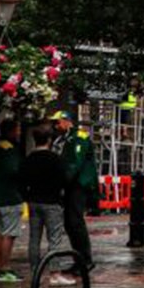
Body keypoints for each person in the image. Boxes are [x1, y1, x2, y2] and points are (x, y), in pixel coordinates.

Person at [22, 125, 75, 287]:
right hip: (52, 202)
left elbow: (21, 181)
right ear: (49, 140)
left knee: (34, 238)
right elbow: (65, 181)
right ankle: (55, 274)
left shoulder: (29, 159)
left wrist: (28, 196)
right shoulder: (55, 159)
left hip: (34, 202)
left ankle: (34, 273)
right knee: (54, 239)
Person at [51, 111, 97, 274]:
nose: (55, 126)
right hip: (68, 185)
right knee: (69, 224)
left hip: (78, 185)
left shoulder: (80, 137)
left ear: (67, 121)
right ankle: (78, 260)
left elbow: (75, 164)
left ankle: (86, 260)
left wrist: (62, 184)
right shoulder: (61, 140)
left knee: (75, 222)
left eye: (58, 122)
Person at [0, 118, 23, 282]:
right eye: (17, 129)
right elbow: (14, 170)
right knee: (9, 234)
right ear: (10, 131)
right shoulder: (9, 149)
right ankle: (5, 268)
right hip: (10, 197)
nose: (19, 133)